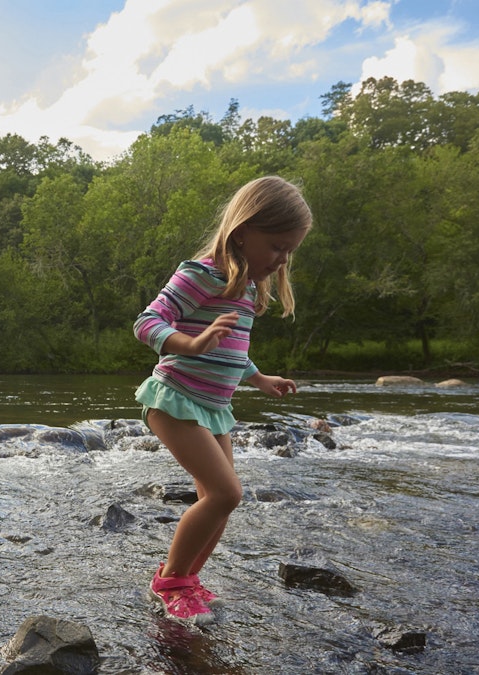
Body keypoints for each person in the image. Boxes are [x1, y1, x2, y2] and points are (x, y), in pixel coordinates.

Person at [133, 175, 311, 624]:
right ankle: (170, 581)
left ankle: (187, 580)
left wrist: (259, 378)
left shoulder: (247, 286)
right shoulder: (201, 273)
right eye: (276, 246)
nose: (283, 259)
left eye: (290, 250)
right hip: (174, 398)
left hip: (213, 407)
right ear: (242, 230)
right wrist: (189, 345)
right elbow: (147, 321)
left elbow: (232, 349)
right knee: (226, 493)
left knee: (220, 502)